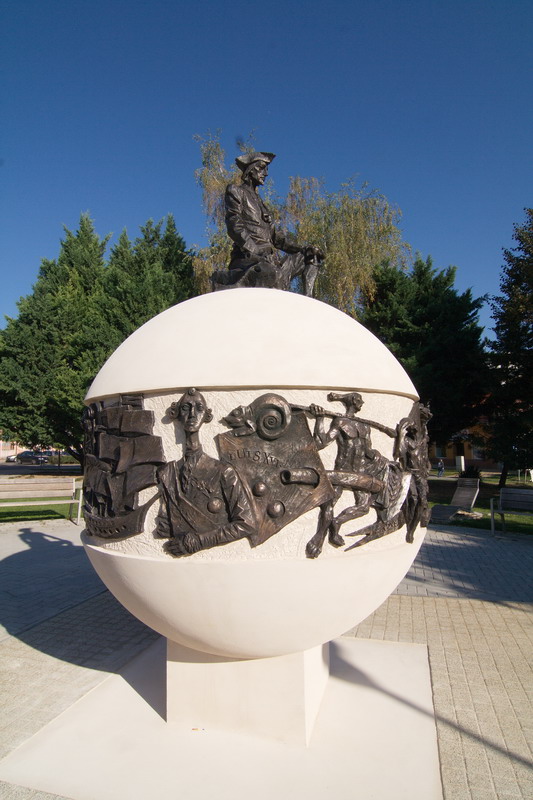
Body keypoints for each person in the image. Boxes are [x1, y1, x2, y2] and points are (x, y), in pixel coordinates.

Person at [156, 388, 256, 556]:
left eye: (199, 408)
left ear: (207, 416)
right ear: (176, 414)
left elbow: (247, 523)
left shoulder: (223, 471)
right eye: (185, 408)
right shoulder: (167, 472)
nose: (192, 414)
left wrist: (201, 541)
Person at [213, 151, 323, 295]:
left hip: (269, 260)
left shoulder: (261, 202)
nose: (266, 173)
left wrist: (304, 249)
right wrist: (254, 250)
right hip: (247, 259)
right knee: (271, 273)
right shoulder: (236, 191)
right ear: (250, 170)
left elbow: (277, 238)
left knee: (310, 256)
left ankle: (308, 300)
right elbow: (234, 226)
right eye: (262, 168)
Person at [305, 392, 388, 557]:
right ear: (353, 402)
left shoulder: (365, 426)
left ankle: (337, 523)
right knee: (328, 504)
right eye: (360, 400)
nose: (362, 403)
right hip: (342, 472)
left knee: (364, 507)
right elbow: (321, 443)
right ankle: (319, 538)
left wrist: (378, 456)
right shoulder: (340, 422)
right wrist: (319, 419)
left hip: (360, 473)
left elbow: (368, 451)